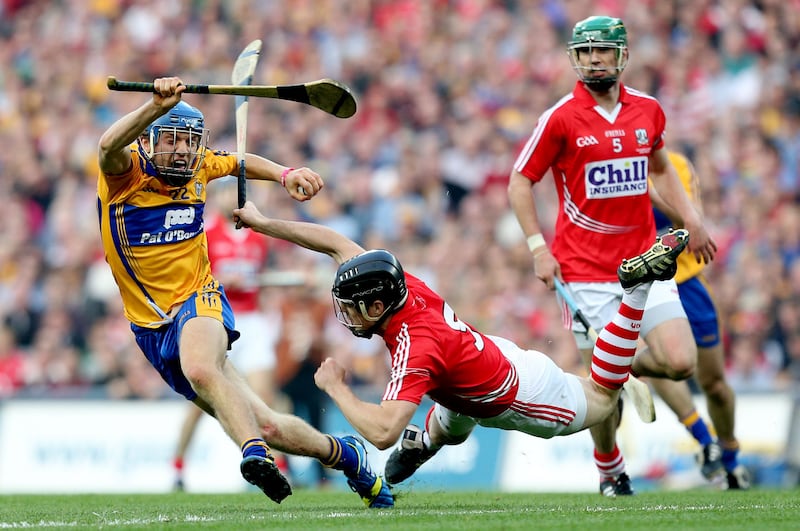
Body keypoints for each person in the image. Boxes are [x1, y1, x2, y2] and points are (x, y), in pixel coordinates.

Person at [232, 200, 690, 492]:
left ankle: (636, 289)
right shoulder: (399, 284)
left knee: (603, 398)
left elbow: (382, 431)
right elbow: (333, 242)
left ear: (376, 306)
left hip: (519, 394)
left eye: (351, 307)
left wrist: (335, 387)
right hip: (476, 366)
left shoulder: (416, 346)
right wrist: (264, 223)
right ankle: (426, 440)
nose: (345, 315)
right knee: (452, 422)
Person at [96, 77, 393, 508]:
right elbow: (107, 146)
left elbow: (238, 161)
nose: (182, 150)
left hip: (199, 301)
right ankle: (346, 456)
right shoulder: (126, 176)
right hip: (150, 328)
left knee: (202, 369)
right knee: (269, 423)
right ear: (149, 141)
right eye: (172, 141)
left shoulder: (199, 167)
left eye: (190, 142)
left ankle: (253, 454)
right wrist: (155, 106)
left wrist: (285, 173)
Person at [506, 15, 718, 496]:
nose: (592, 59)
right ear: (573, 59)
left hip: (647, 266)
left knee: (682, 363)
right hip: (584, 273)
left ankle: (615, 365)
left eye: (601, 50)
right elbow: (520, 182)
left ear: (623, 55)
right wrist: (538, 248)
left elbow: (660, 170)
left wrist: (692, 219)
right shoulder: (559, 118)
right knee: (601, 399)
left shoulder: (647, 110)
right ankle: (610, 469)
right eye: (583, 52)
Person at [171, 181, 287, 491]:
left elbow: (263, 278)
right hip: (215, 319)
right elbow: (190, 279)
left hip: (252, 320)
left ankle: (275, 464)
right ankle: (179, 466)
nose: (229, 199)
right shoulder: (205, 234)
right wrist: (224, 279)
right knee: (201, 401)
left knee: (264, 397)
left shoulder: (259, 238)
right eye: (224, 194)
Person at [649, 151, 750, 489]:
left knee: (715, 385)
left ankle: (731, 457)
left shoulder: (673, 165)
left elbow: (689, 224)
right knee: (659, 364)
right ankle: (704, 439)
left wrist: (644, 189)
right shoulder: (608, 170)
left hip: (686, 282)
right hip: (644, 286)